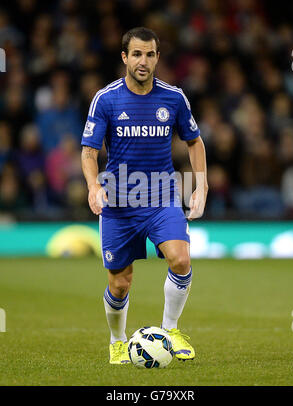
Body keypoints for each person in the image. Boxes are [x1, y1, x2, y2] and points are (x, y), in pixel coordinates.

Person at [81, 27, 208, 364]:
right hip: (119, 203)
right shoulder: (106, 99)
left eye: (150, 54)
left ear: (157, 58)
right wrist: (94, 186)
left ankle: (170, 330)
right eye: (136, 54)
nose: (143, 61)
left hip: (162, 197)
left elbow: (194, 141)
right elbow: (89, 152)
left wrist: (202, 185)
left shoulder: (174, 98)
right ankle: (117, 340)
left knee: (180, 259)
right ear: (124, 57)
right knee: (120, 282)